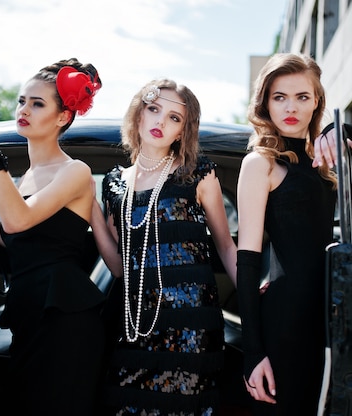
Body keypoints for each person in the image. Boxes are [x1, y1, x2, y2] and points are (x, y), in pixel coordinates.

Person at [0, 58, 106, 415]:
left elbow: (17, 220)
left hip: (64, 319)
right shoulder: (27, 177)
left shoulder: (75, 171)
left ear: (63, 117)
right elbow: (16, 237)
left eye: (37, 103)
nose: (24, 109)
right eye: (22, 101)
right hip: (31, 311)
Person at [235, 52, 352, 415]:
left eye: (302, 97)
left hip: (326, 317)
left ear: (317, 102)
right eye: (280, 97)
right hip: (284, 321)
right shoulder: (260, 162)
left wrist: (341, 129)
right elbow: (248, 260)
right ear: (266, 104)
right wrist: (253, 353)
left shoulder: (322, 156)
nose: (290, 107)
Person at [90, 79, 237, 415]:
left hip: (192, 326)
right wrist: (92, 211)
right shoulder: (114, 184)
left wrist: (257, 312)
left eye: (174, 118)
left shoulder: (197, 174)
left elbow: (227, 247)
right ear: (138, 113)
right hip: (137, 323)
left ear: (183, 130)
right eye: (154, 109)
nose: (159, 122)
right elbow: (118, 267)